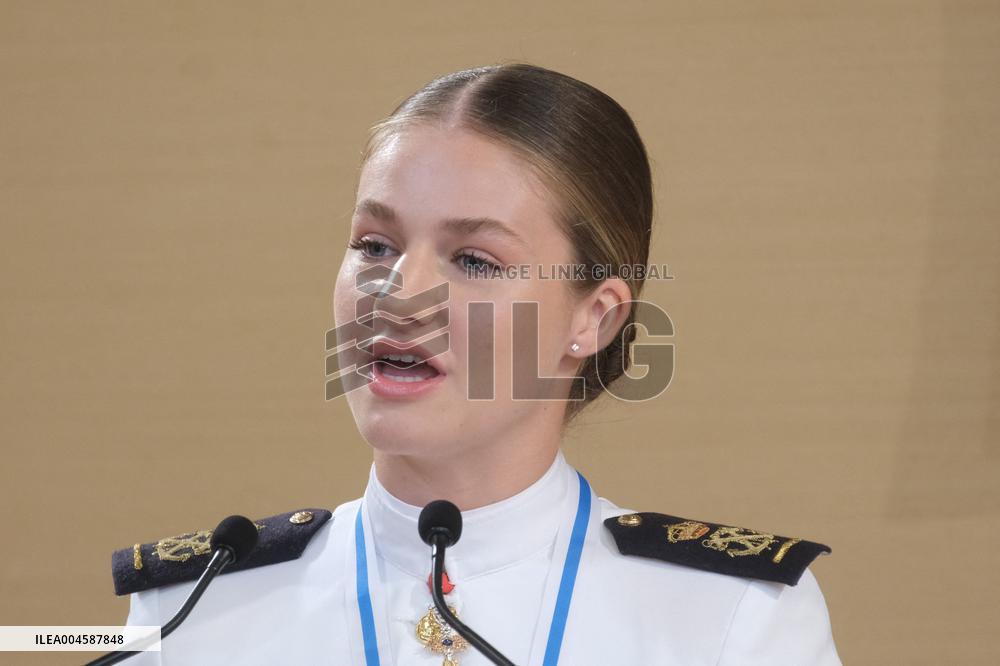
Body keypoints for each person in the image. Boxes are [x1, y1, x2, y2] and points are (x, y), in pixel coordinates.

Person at [112, 62, 841, 665]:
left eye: (475, 260)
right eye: (374, 246)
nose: (397, 295)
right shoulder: (190, 611)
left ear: (594, 318)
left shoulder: (733, 620)